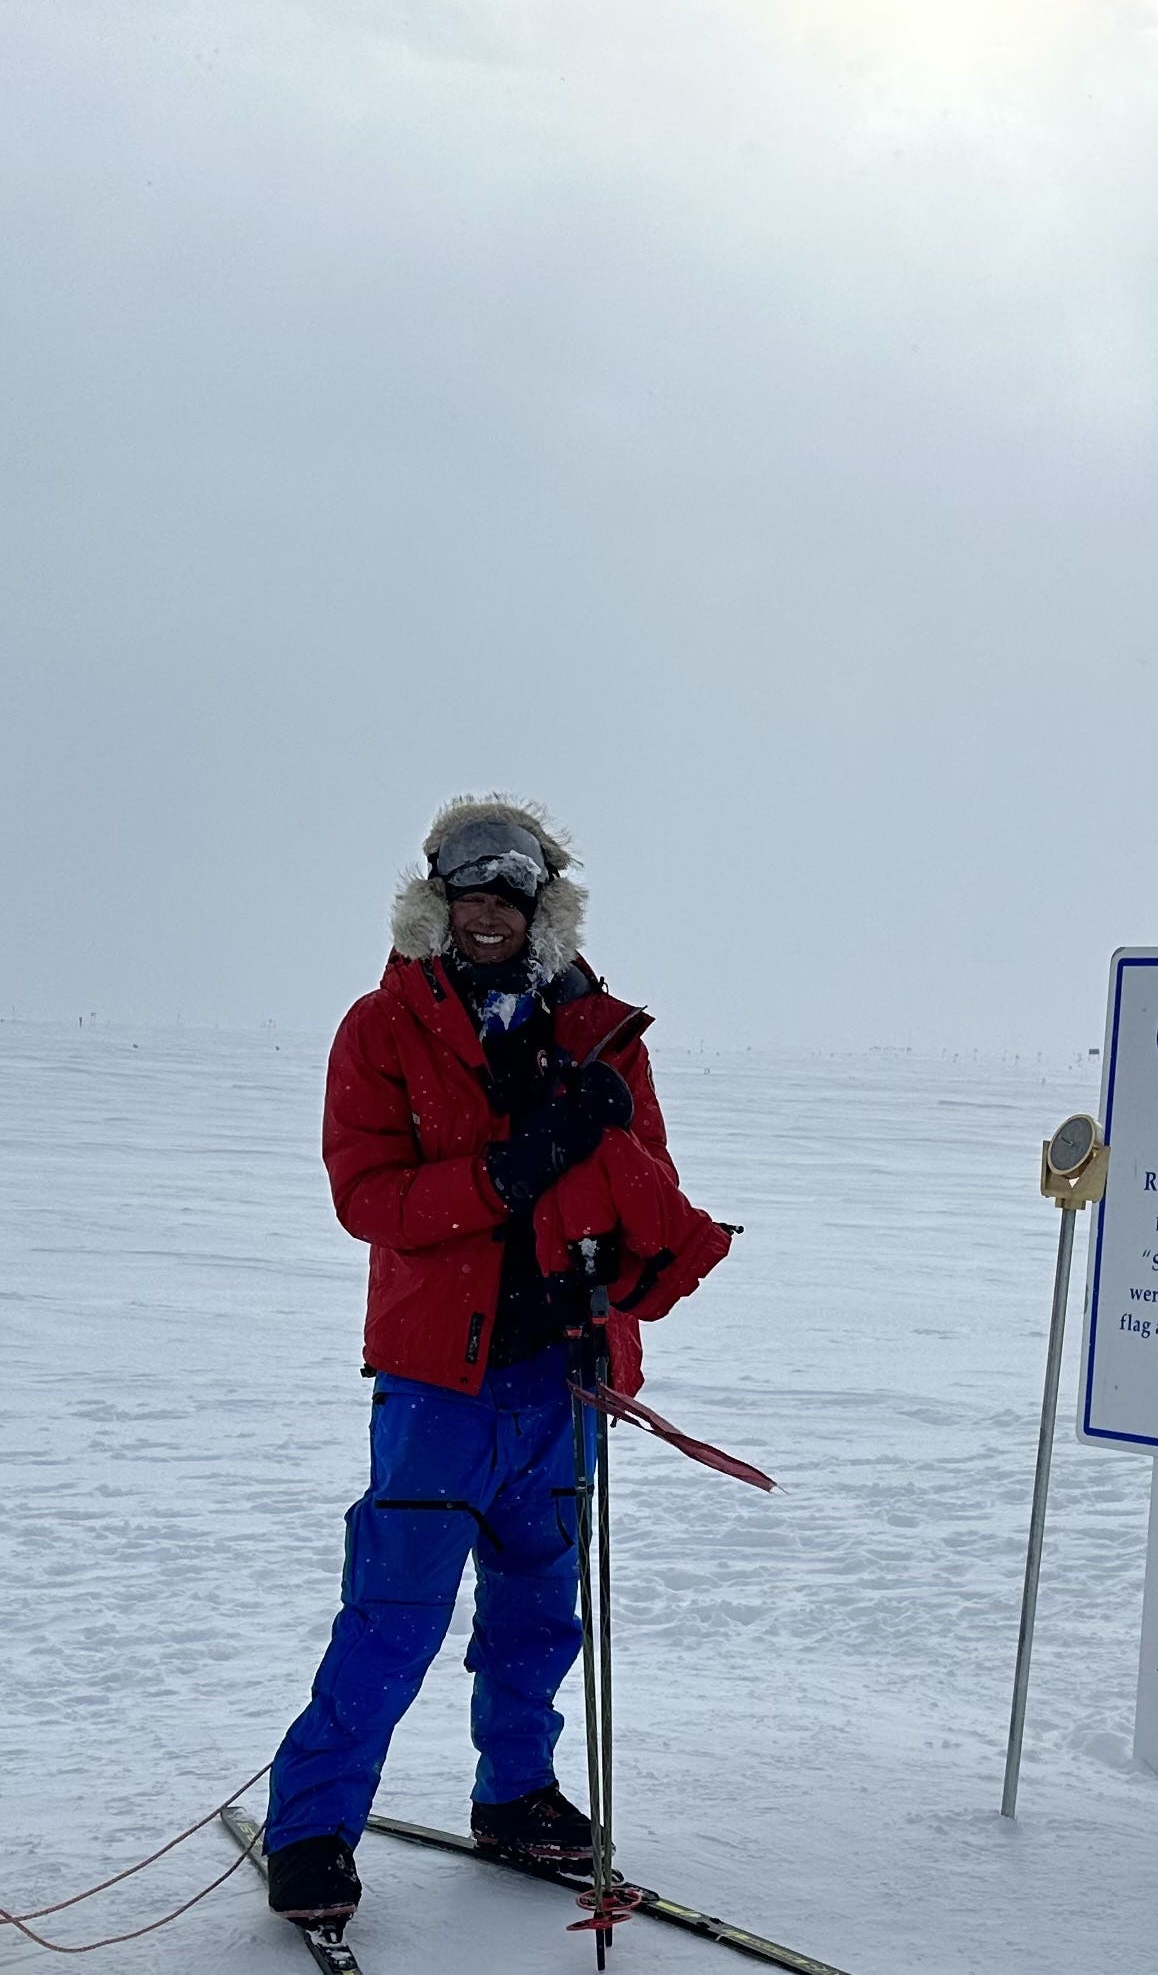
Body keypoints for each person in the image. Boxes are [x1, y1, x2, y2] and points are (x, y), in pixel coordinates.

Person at [261, 798, 730, 1927]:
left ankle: (515, 1795)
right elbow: (367, 1199)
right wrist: (511, 1174)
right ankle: (314, 1828)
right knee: (395, 1613)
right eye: (466, 897)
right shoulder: (381, 1031)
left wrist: (615, 1231)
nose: (485, 918)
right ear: (436, 902)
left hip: (560, 1379)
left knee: (537, 1612)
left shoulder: (603, 1034)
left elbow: (646, 1199)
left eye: (506, 901)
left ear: (538, 911)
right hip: (437, 1385)